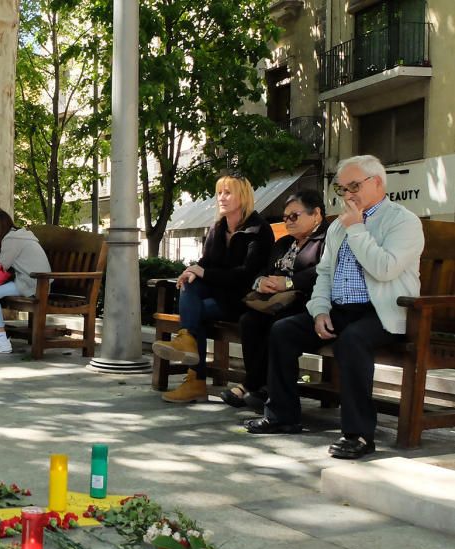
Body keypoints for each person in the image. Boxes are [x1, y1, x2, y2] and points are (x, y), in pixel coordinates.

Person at [245, 155, 424, 459]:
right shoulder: (338, 227)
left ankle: (358, 435)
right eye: (342, 189)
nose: (347, 195)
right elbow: (324, 274)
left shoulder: (402, 221)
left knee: (351, 341)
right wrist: (320, 311)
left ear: (377, 182)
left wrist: (357, 229)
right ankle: (282, 415)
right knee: (283, 330)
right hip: (341, 310)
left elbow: (385, 268)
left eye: (354, 186)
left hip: (383, 311)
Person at [152, 174, 274, 402]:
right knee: (190, 284)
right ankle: (187, 342)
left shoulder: (259, 230)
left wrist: (204, 273)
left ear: (243, 197)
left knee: (193, 312)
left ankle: (195, 379)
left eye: (228, 193)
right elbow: (206, 262)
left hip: (243, 301)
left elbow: (246, 276)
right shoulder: (217, 228)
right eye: (219, 193)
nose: (221, 198)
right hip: (217, 297)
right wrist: (192, 270)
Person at [220, 190, 329, 412]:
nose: (288, 222)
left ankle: (254, 385)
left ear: (316, 214)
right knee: (249, 321)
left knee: (278, 324)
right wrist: (260, 281)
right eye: (285, 217)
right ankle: (262, 387)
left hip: (308, 302)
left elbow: (323, 272)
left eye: (294, 216)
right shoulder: (284, 243)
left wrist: (288, 283)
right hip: (276, 302)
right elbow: (265, 269)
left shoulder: (327, 240)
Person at [0, 206, 50, 355]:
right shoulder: (14, 236)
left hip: (33, 283)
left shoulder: (11, 239)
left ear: (0, 227)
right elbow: (0, 265)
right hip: (30, 280)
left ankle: (0, 338)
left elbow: (0, 267)